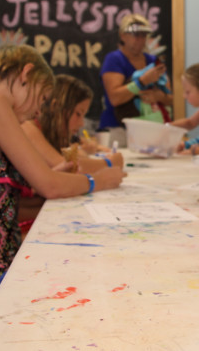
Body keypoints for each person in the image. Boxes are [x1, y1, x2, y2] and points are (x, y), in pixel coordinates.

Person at [0, 45, 124, 288]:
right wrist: (100, 181)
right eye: (41, 98)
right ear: (26, 74)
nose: (39, 111)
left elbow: (0, 197)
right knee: (92, 278)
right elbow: (49, 186)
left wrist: (58, 177)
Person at [20, 74, 126, 235]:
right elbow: (72, 167)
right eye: (78, 114)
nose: (82, 122)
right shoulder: (28, 128)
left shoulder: (55, 134)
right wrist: (109, 164)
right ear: (56, 107)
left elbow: (78, 158)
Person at [99, 13, 173, 130]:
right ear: (123, 36)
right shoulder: (114, 59)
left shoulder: (153, 61)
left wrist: (159, 96)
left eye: (143, 35)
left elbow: (170, 98)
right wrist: (142, 82)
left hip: (150, 128)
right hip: (118, 129)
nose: (140, 40)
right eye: (135, 35)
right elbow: (115, 98)